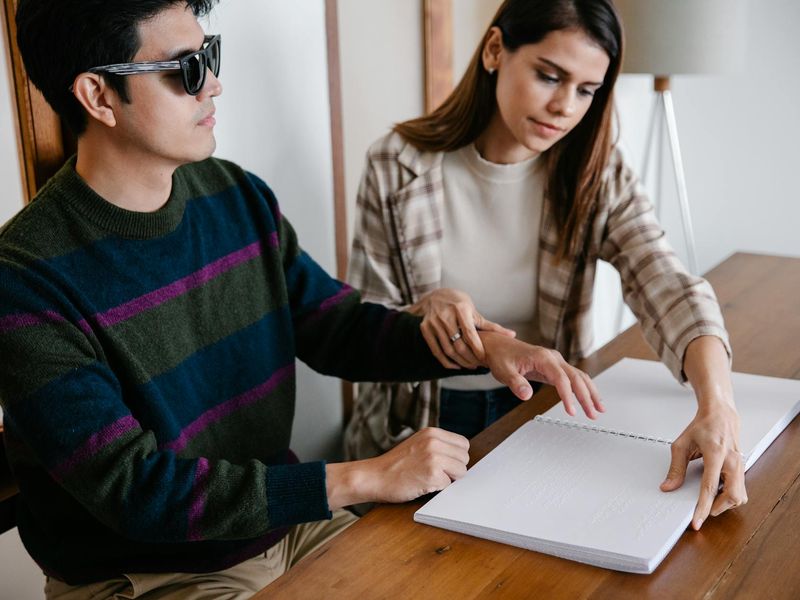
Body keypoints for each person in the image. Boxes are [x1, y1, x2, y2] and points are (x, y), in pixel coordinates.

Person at [0, 1, 603, 598]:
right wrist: (368, 476)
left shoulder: (235, 195)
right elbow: (138, 492)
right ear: (98, 96)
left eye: (209, 54)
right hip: (147, 574)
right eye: (184, 69)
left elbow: (336, 326)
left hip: (286, 532)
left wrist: (487, 348)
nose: (213, 83)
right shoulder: (26, 281)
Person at [346, 0, 747, 532]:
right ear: (495, 51)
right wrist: (428, 312)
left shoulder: (594, 174)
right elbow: (361, 323)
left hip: (540, 414)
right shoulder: (395, 164)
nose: (564, 106)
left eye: (586, 90)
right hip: (420, 425)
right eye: (549, 76)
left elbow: (665, 282)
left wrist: (717, 403)